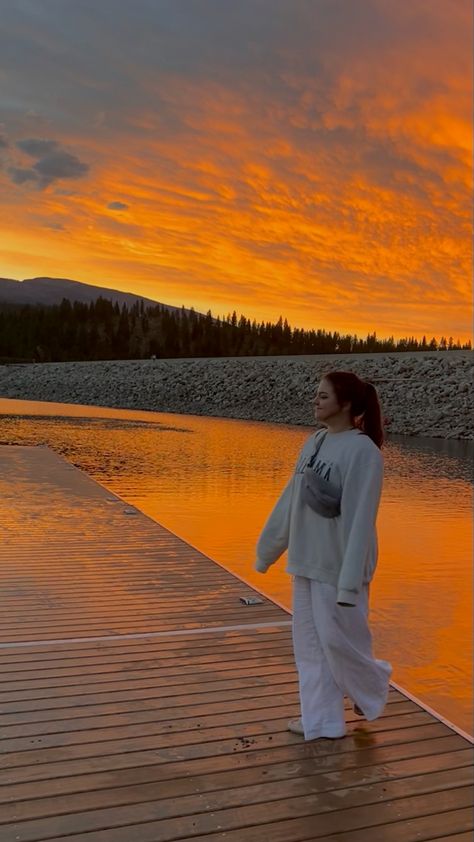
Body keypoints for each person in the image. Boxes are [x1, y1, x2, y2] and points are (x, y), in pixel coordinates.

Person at [255, 370, 392, 740]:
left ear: (346, 404)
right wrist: (268, 549)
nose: (315, 401)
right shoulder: (313, 442)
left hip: (340, 565)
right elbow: (290, 501)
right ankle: (323, 721)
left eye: (323, 396)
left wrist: (350, 583)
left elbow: (361, 520)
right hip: (305, 559)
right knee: (310, 646)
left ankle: (373, 684)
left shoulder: (363, 452)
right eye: (316, 395)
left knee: (338, 641)